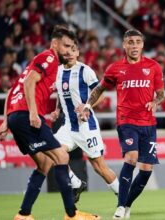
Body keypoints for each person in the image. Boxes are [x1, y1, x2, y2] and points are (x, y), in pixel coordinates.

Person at [0, 27, 100, 220]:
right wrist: (34, 113)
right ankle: (72, 214)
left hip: (16, 116)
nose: (68, 51)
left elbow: (12, 90)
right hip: (27, 115)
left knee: (44, 163)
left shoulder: (45, 65)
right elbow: (28, 84)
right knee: (61, 156)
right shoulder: (49, 58)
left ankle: (23, 214)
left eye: (71, 47)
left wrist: (6, 120)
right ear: (55, 44)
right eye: (65, 46)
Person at [77, 29, 165, 219]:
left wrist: (155, 102)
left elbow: (161, 93)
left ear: (142, 45)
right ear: (124, 45)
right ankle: (119, 207)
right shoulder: (115, 68)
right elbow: (99, 89)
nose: (134, 46)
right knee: (131, 158)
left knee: (146, 171)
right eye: (130, 42)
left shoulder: (153, 66)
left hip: (148, 123)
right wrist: (87, 106)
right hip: (127, 121)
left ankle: (126, 205)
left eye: (137, 42)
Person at [49, 42, 120, 203]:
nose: (69, 53)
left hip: (86, 126)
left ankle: (123, 196)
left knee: (99, 167)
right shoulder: (58, 71)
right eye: (66, 50)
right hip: (68, 125)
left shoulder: (85, 71)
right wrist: (58, 110)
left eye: (73, 50)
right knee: (53, 152)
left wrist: (87, 107)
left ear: (78, 53)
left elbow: (100, 95)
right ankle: (77, 183)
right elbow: (62, 93)